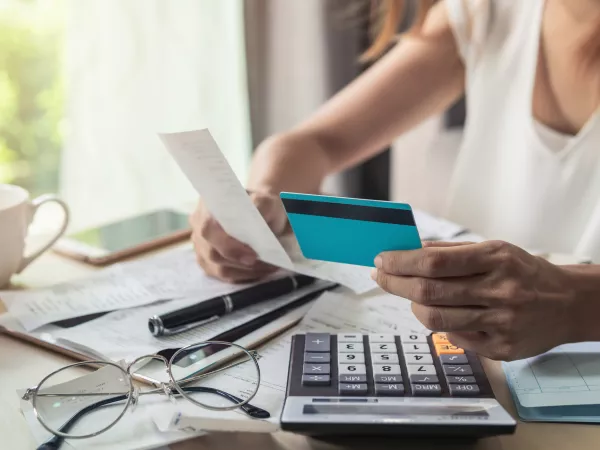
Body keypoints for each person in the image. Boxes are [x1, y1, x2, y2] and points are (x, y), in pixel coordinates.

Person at [190, 0, 600, 361]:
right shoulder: (488, 12)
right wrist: (261, 200)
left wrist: (574, 302)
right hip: (475, 367)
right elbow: (312, 143)